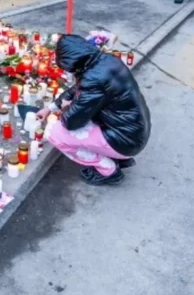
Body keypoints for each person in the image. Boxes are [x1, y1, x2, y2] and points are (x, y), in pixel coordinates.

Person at [38, 34, 151, 186]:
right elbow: (79, 89)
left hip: (124, 140)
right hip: (134, 132)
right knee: (78, 123)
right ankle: (114, 156)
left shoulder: (93, 80)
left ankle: (108, 170)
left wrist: (66, 109)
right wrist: (50, 108)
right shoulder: (105, 61)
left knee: (54, 132)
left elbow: (72, 122)